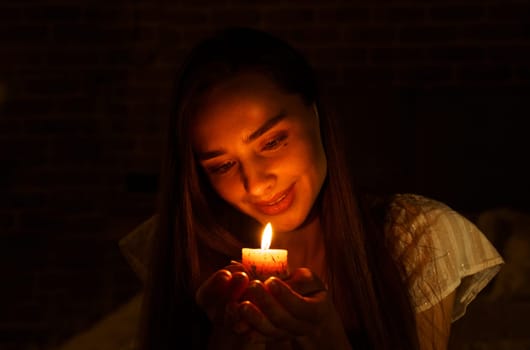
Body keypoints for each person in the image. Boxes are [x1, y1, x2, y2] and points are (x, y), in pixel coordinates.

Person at [119, 26, 504, 349]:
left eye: (272, 142)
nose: (255, 184)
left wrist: (326, 338)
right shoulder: (182, 242)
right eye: (222, 165)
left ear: (315, 114)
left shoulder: (416, 239)